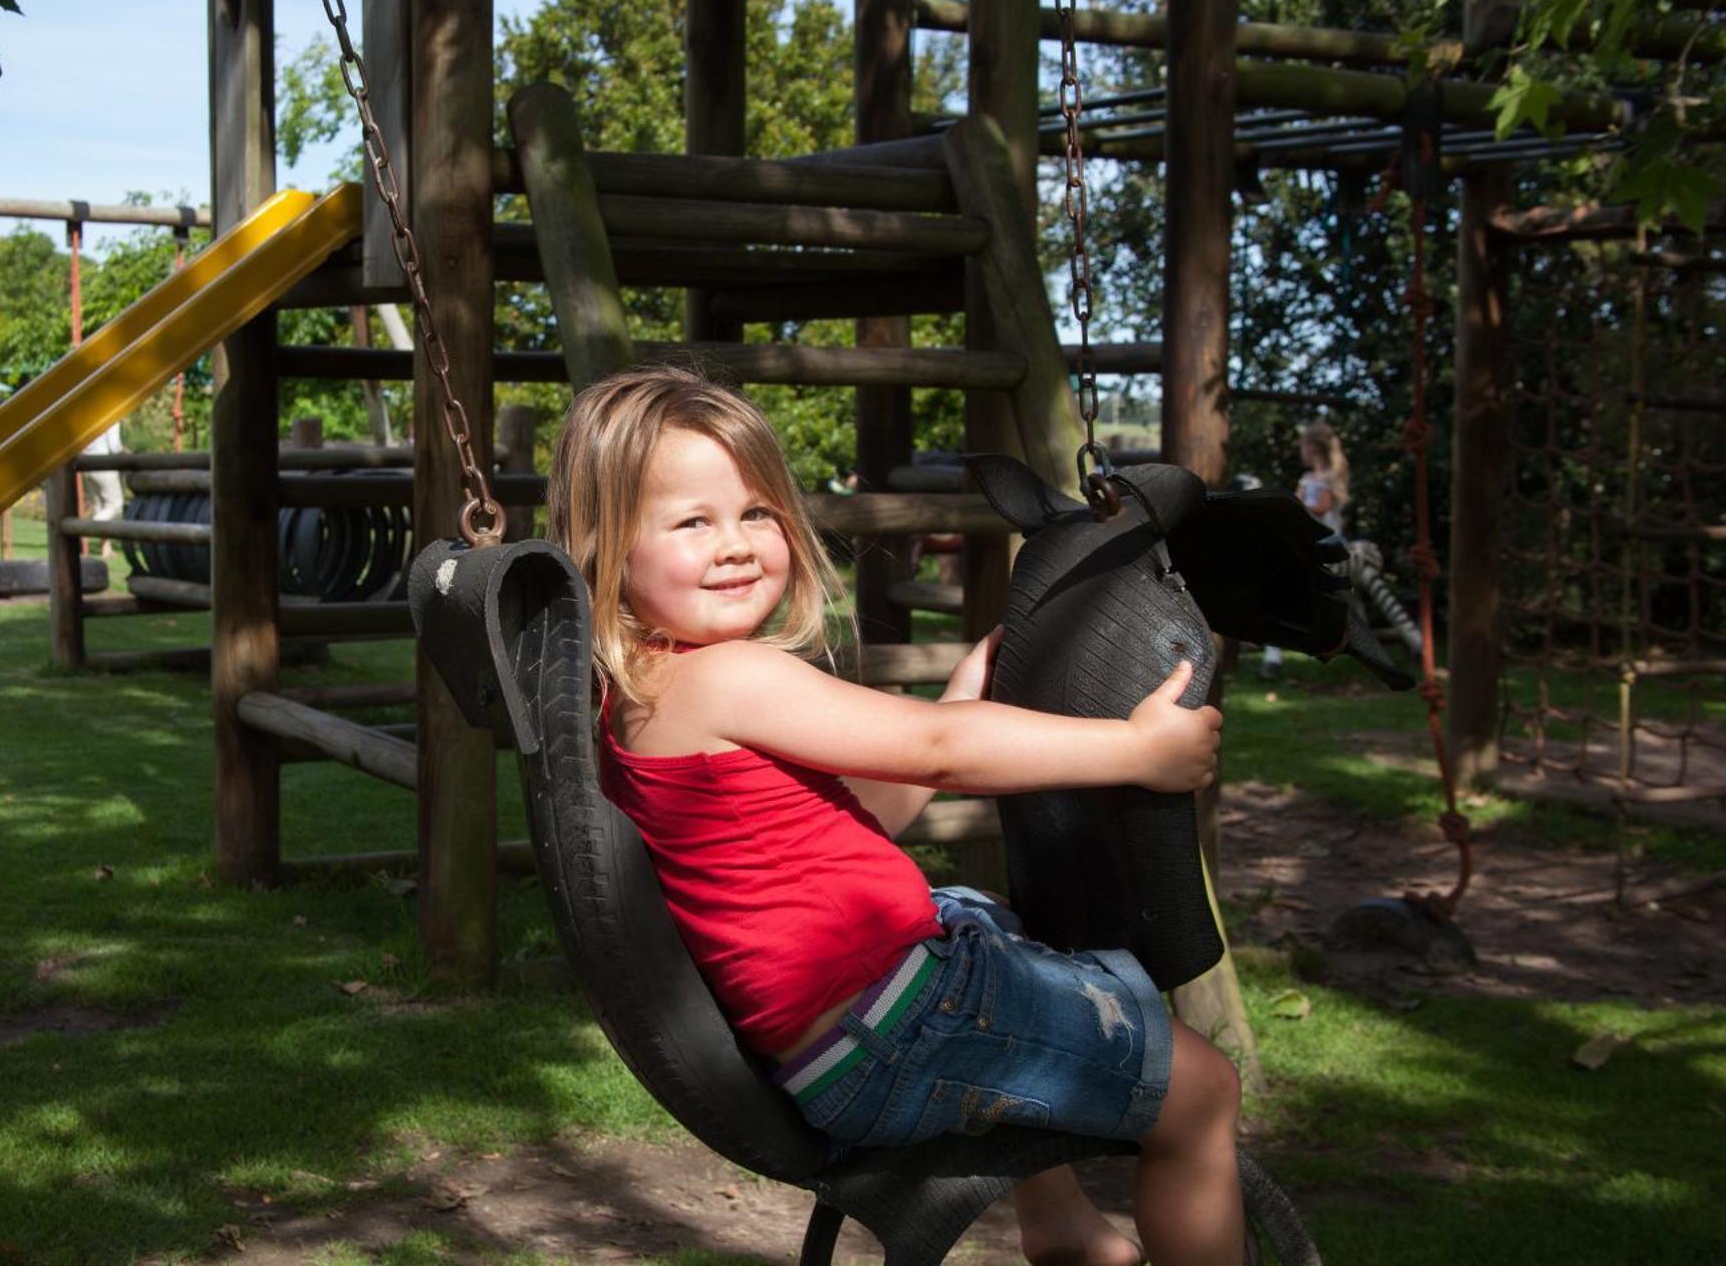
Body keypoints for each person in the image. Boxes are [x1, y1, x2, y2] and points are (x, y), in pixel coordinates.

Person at [549, 370, 1243, 1266]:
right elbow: (940, 750)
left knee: (977, 912)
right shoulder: (727, 675)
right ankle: (1081, 1224)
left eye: (757, 512)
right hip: (900, 1029)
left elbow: (866, 813)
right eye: (692, 522)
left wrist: (960, 691)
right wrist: (1139, 750)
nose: (736, 545)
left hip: (841, 1042)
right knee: (1203, 1093)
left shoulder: (644, 689)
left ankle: (1064, 1225)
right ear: (610, 548)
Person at [1260, 421, 1349, 680]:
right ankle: (1273, 655)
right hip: (1310, 541)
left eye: (1303, 446)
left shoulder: (1328, 479)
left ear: (1312, 447)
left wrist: (1298, 508)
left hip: (1327, 543)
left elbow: (1320, 507)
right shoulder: (1307, 479)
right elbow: (1297, 501)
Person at [80, 419, 126, 559]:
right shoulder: (112, 418)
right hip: (103, 465)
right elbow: (114, 447)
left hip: (87, 466)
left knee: (100, 507)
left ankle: (106, 550)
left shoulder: (91, 417)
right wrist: (127, 454)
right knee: (116, 505)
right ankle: (84, 530)